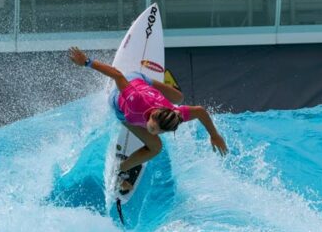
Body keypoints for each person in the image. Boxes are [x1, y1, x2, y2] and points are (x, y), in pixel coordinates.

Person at [68, 47, 229, 193]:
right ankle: (123, 170)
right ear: (152, 116)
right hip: (122, 102)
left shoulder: (174, 114)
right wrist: (86, 62)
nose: (156, 132)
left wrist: (213, 135)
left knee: (179, 97)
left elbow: (200, 111)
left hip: (144, 82)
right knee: (156, 146)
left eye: (160, 130)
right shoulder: (135, 100)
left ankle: (120, 167)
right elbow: (117, 74)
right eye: (154, 128)